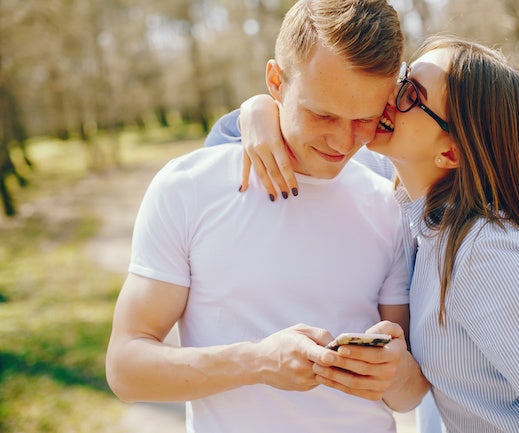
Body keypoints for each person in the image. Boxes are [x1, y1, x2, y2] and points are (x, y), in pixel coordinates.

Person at [209, 36, 519, 432]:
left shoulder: (488, 257)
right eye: (404, 78)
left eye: (412, 94)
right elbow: (240, 140)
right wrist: (258, 111)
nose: (390, 96)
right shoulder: (415, 204)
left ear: (450, 152)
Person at [105, 1, 427, 433]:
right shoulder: (188, 188)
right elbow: (126, 369)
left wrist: (395, 372)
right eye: (322, 114)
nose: (342, 141)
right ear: (275, 81)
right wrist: (257, 361)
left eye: (364, 120)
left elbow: (406, 395)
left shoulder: (386, 205)